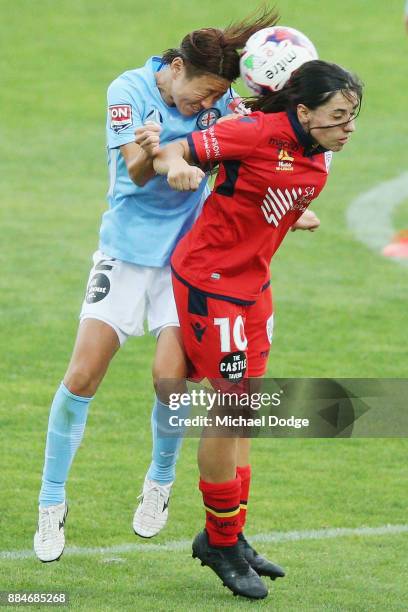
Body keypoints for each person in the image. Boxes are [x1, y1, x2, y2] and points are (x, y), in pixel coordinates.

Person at [33, 9, 294, 563]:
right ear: (175, 68)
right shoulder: (127, 89)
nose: (204, 108)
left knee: (168, 382)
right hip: (126, 253)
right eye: (200, 95)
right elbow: (132, 170)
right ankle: (51, 501)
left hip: (187, 263)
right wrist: (159, 157)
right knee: (82, 376)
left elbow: (263, 138)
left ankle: (160, 480)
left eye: (214, 99)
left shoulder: (222, 101)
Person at [152, 59, 363, 599]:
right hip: (211, 282)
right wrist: (173, 163)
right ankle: (219, 541)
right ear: (302, 111)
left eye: (353, 115)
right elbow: (180, 149)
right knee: (230, 409)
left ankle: (231, 532)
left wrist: (293, 215)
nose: (348, 127)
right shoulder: (252, 133)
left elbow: (268, 195)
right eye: (338, 115)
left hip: (253, 286)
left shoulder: (318, 152)